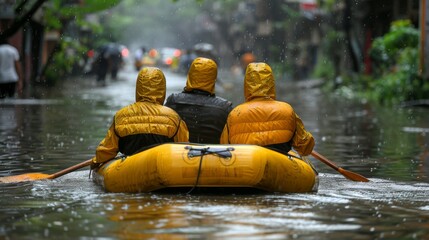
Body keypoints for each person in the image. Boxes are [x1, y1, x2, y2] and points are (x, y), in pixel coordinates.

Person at [91, 67, 189, 167]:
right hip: (162, 167)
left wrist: (95, 162)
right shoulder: (174, 118)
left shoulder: (121, 116)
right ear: (162, 88)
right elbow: (184, 150)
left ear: (138, 87)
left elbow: (107, 150)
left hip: (128, 170)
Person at [220, 62, 315, 156]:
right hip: (281, 165)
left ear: (246, 84)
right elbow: (305, 148)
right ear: (271, 82)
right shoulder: (287, 110)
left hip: (247, 166)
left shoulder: (235, 114)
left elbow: (224, 150)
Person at [165, 57, 233, 144]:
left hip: (179, 155)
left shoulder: (173, 101)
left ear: (190, 75)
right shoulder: (225, 108)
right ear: (213, 79)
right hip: (212, 155)